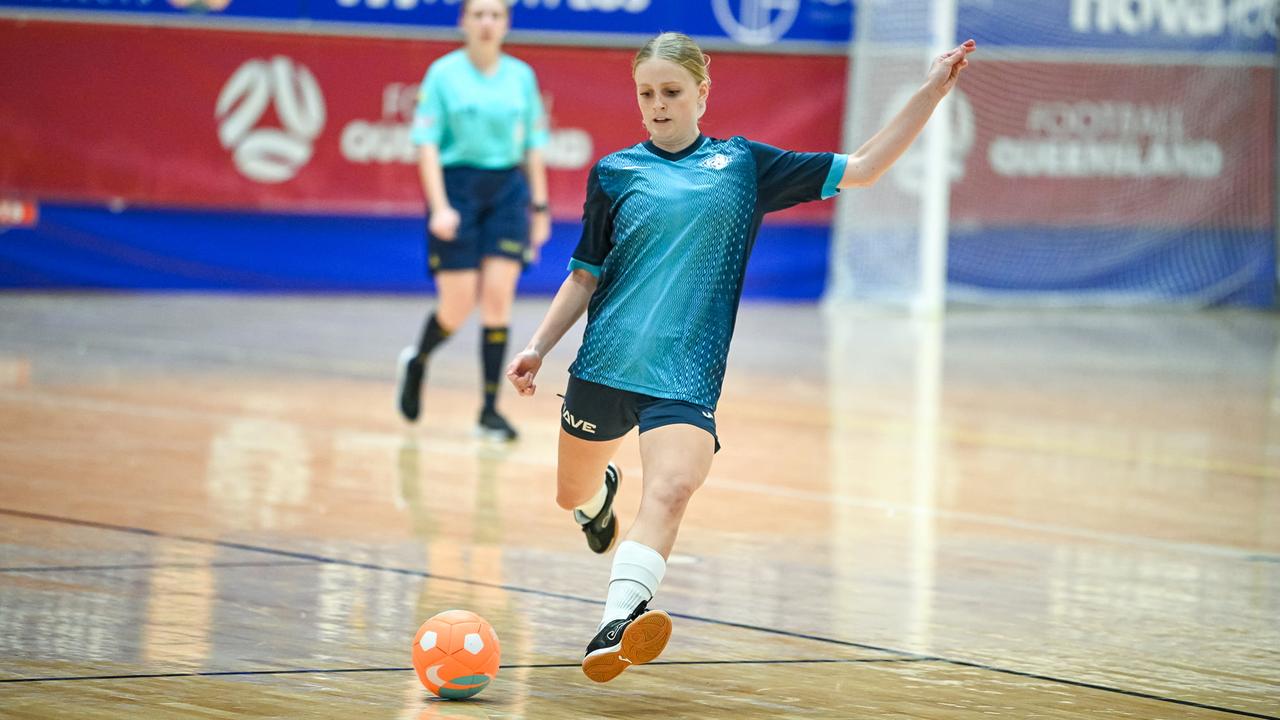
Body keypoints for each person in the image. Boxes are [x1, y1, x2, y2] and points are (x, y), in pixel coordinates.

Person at [506, 32, 976, 682]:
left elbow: (866, 167)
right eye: (647, 94)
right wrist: (535, 347)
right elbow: (584, 276)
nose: (659, 105)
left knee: (672, 488)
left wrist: (931, 91)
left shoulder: (744, 167)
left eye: (672, 91)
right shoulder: (615, 173)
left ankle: (616, 620)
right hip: (604, 368)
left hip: (685, 377)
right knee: (570, 494)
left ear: (703, 91)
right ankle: (597, 499)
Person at [397, 0, 551, 441]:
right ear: (463, 21)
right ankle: (418, 360)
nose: (487, 23)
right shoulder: (443, 74)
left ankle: (489, 411)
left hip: (506, 191)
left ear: (506, 23)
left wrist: (539, 207)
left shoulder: (521, 76)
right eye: (478, 14)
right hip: (457, 189)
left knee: (499, 298)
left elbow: (534, 145)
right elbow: (426, 143)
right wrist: (440, 206)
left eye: (496, 15)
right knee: (458, 303)